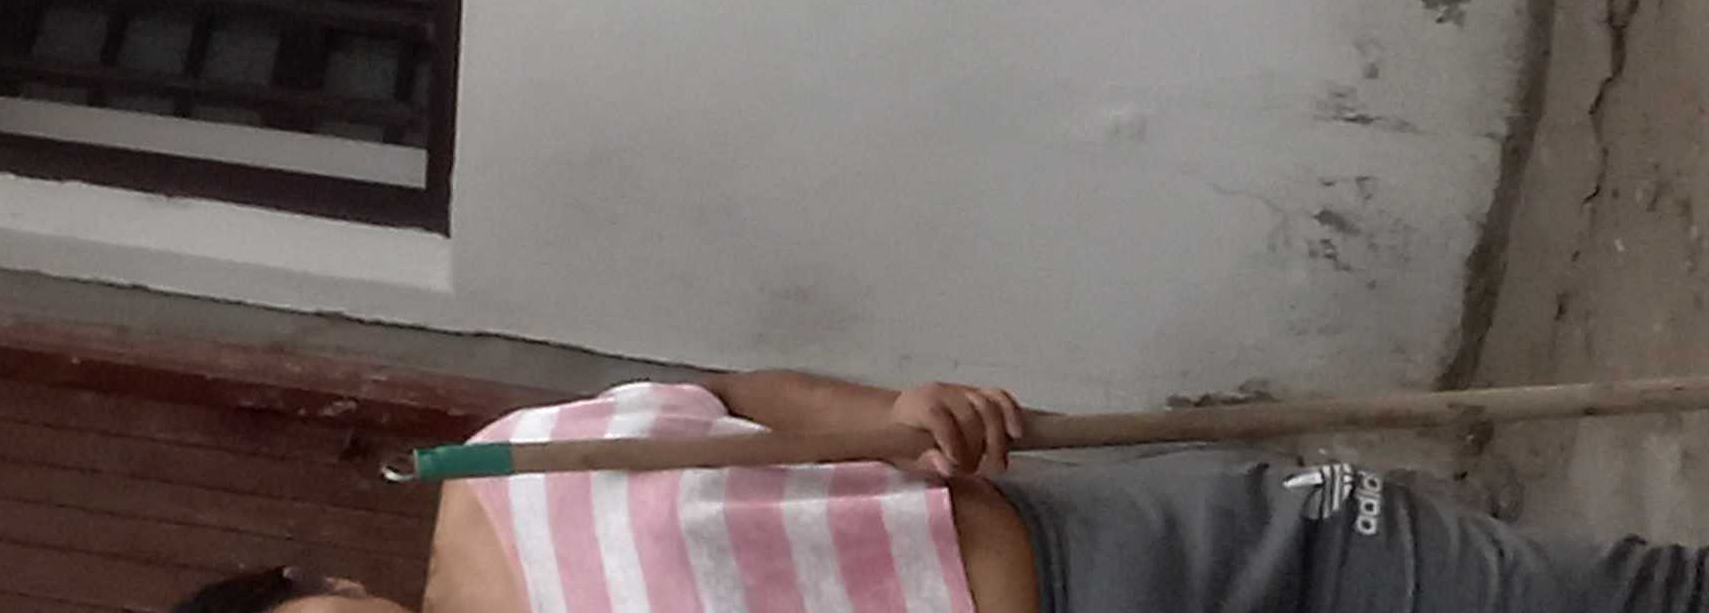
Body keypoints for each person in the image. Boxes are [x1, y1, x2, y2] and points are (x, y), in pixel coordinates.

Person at [159, 368, 1709, 613]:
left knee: (1620, 602)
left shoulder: (507, 469)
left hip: (1174, 551)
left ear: (318, 589)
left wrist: (894, 415)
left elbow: (743, 401)